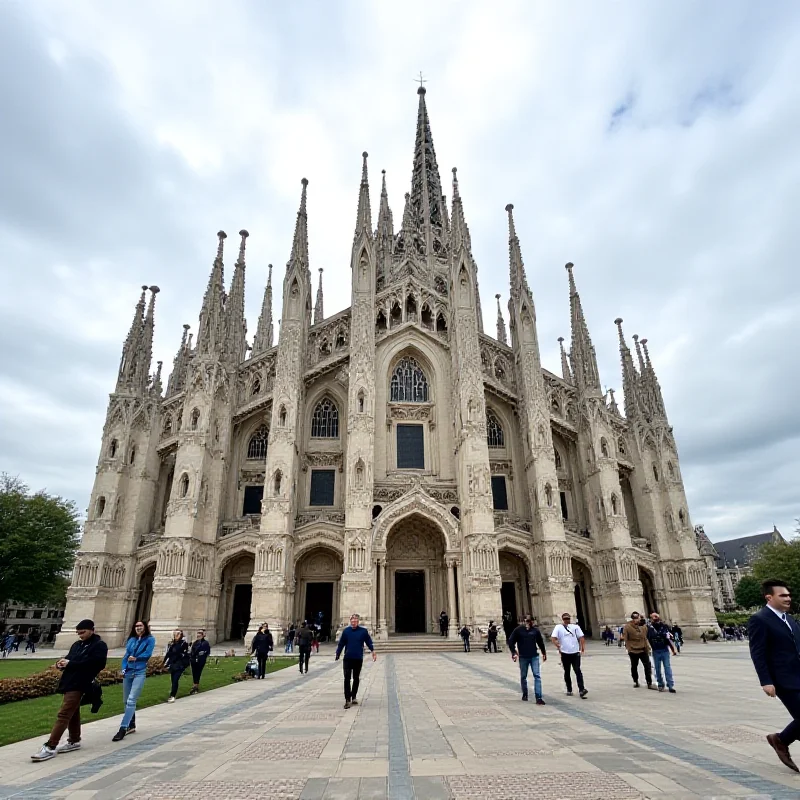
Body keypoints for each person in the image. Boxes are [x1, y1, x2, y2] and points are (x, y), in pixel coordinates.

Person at [31, 619, 108, 762]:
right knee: (73, 711)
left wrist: (71, 663)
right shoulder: (77, 645)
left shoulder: (99, 646)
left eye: (83, 632)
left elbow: (97, 664)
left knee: (64, 713)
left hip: (82, 683)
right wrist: (61, 663)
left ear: (92, 630)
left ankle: (50, 746)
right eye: (78, 633)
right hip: (70, 682)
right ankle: (74, 740)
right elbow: (70, 659)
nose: (81, 635)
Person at [748, 579, 800, 772]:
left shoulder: (790, 619)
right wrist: (766, 681)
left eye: (788, 595)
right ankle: (780, 740)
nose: (788, 598)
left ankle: (780, 739)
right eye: (783, 595)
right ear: (769, 597)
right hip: (783, 679)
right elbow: (757, 652)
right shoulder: (759, 619)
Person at [112, 620, 155, 741]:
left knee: (131, 700)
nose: (138, 628)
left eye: (140, 626)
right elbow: (126, 656)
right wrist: (124, 670)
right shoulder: (131, 640)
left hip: (139, 672)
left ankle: (123, 728)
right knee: (126, 701)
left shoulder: (150, 639)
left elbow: (147, 654)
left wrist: (136, 658)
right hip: (129, 672)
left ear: (145, 627)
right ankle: (131, 724)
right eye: (136, 626)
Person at [335, 613, 376, 709]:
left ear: (358, 621)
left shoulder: (363, 631)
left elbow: (368, 642)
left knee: (356, 678)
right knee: (347, 678)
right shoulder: (346, 631)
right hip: (348, 658)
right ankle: (347, 699)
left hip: (358, 658)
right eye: (352, 621)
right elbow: (341, 643)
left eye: (355, 621)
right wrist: (338, 653)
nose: (353, 622)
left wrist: (373, 651)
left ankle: (354, 696)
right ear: (350, 621)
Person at [508, 615, 548, 704]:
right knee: (523, 676)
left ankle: (539, 697)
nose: (528, 622)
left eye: (529, 621)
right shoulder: (518, 630)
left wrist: (544, 653)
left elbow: (540, 642)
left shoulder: (535, 631)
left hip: (534, 656)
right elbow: (511, 641)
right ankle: (525, 693)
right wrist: (513, 652)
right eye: (526, 620)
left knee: (537, 675)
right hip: (523, 657)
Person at [551, 612, 587, 698]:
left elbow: (581, 637)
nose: (567, 620)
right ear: (562, 619)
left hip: (575, 652)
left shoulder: (575, 627)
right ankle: (569, 689)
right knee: (567, 671)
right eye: (565, 619)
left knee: (577, 670)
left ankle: (581, 689)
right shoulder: (558, 627)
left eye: (568, 618)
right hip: (564, 653)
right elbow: (553, 638)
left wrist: (582, 648)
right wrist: (557, 645)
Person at [622, 612, 655, 689]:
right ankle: (636, 681)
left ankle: (649, 682)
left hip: (643, 649)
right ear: (633, 619)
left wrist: (648, 647)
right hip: (633, 650)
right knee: (634, 666)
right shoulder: (627, 627)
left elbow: (645, 636)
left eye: (638, 618)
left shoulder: (643, 626)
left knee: (647, 666)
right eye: (635, 618)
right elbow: (626, 638)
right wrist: (628, 648)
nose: (637, 620)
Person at [647, 612, 677, 693]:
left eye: (656, 616)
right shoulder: (649, 628)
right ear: (651, 618)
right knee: (657, 669)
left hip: (664, 650)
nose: (655, 618)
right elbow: (648, 639)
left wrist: (673, 649)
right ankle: (660, 684)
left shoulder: (664, 627)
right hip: (656, 651)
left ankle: (670, 685)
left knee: (667, 668)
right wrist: (649, 649)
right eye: (653, 617)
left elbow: (668, 639)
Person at [164, 629, 190, 702]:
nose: (176, 636)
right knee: (173, 680)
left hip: (180, 664)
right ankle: (173, 691)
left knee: (175, 679)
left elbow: (184, 653)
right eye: (175, 634)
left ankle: (172, 695)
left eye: (178, 634)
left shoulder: (183, 643)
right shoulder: (172, 644)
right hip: (173, 664)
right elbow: (168, 654)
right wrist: (164, 663)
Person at [189, 629, 210, 694]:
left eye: (200, 634)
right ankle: (195, 685)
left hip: (200, 660)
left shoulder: (205, 643)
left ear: (203, 635)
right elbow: (192, 651)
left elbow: (207, 652)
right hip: (193, 660)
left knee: (198, 673)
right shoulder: (195, 642)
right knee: (194, 673)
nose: (198, 635)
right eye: (198, 634)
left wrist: (202, 655)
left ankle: (195, 686)